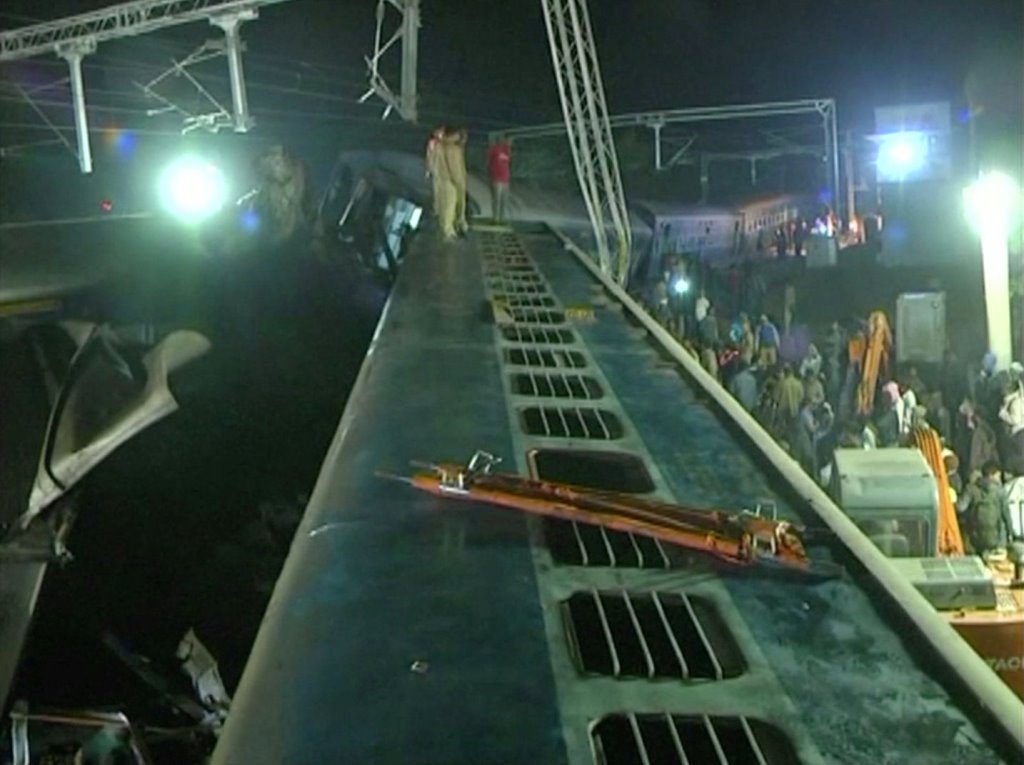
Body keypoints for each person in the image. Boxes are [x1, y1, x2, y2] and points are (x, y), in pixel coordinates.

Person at [441, 127, 469, 238]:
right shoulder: (448, 148)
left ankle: (459, 224)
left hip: (458, 180)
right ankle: (449, 230)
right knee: (450, 204)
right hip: (451, 180)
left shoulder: (457, 149)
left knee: (458, 204)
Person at [487, 135, 511, 223]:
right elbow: (489, 161)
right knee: (496, 199)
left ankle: (502, 217)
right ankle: (495, 218)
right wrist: (491, 173)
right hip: (496, 178)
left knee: (504, 199)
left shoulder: (507, 150)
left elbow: (508, 162)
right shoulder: (494, 149)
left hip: (505, 178)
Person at [425, 126, 446, 219]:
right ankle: (438, 209)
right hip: (437, 170)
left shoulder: (444, 144)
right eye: (440, 132)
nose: (441, 134)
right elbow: (430, 157)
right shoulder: (433, 143)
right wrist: (429, 170)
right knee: (437, 190)